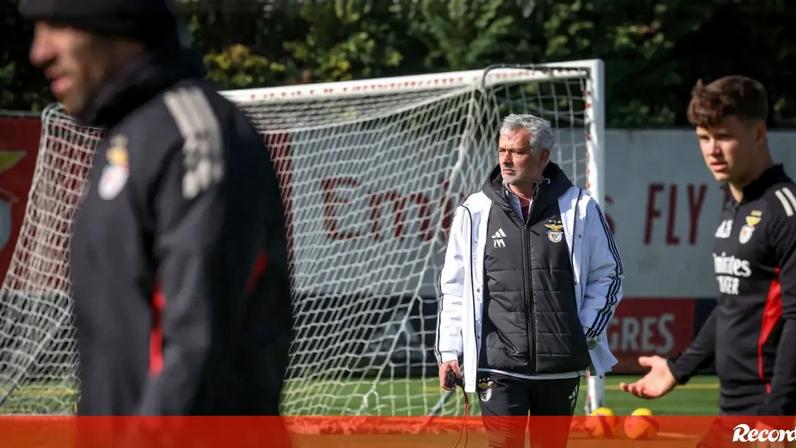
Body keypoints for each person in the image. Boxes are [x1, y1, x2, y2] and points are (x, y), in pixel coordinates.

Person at [20, 0, 292, 416]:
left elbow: (194, 347)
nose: (39, 52)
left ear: (118, 22)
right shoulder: (127, 138)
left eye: (57, 26)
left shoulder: (194, 134)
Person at [435, 113, 624, 447]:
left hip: (559, 365)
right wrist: (449, 350)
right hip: (497, 364)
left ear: (542, 157)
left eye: (517, 152)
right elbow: (454, 286)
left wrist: (585, 330)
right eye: (502, 150)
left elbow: (608, 274)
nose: (507, 159)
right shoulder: (473, 211)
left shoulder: (579, 207)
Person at [620, 76, 796, 419]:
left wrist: (779, 413)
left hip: (771, 406)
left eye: (724, 137)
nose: (712, 150)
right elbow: (734, 304)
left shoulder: (785, 211)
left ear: (758, 134)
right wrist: (677, 368)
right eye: (704, 137)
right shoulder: (734, 202)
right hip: (734, 405)